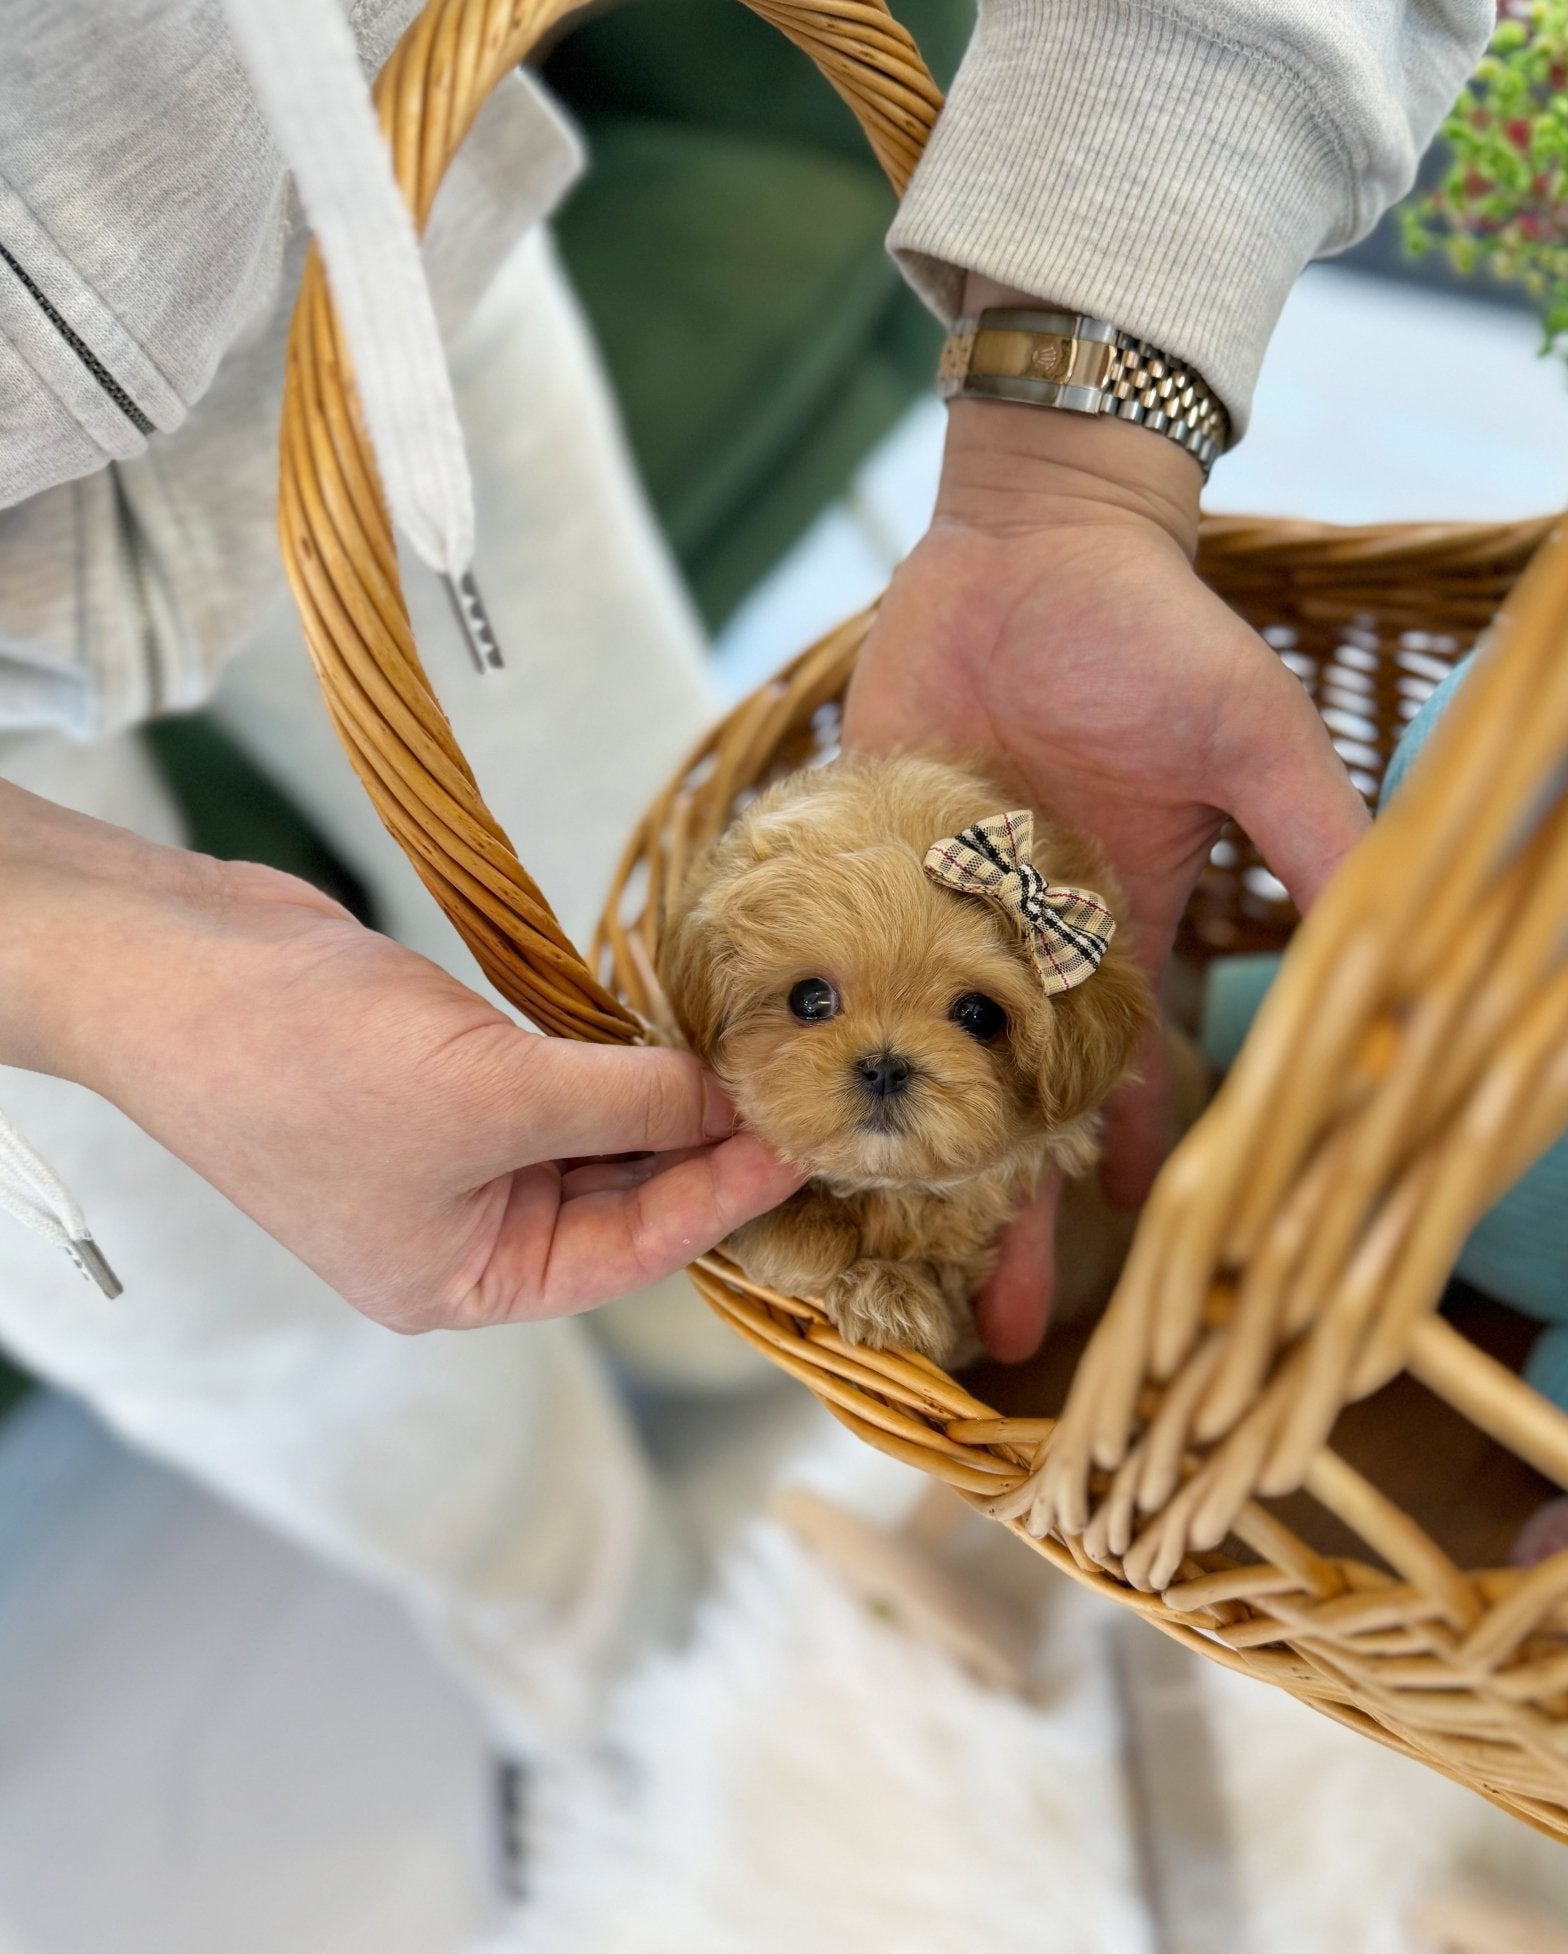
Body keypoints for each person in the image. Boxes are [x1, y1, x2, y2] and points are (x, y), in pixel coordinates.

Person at [0, 0, 1491, 1746]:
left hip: (373, 253)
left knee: (630, 894)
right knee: (229, 1310)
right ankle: (612, 1687)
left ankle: (771, 1402)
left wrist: (1069, 453)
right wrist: (73, 954)